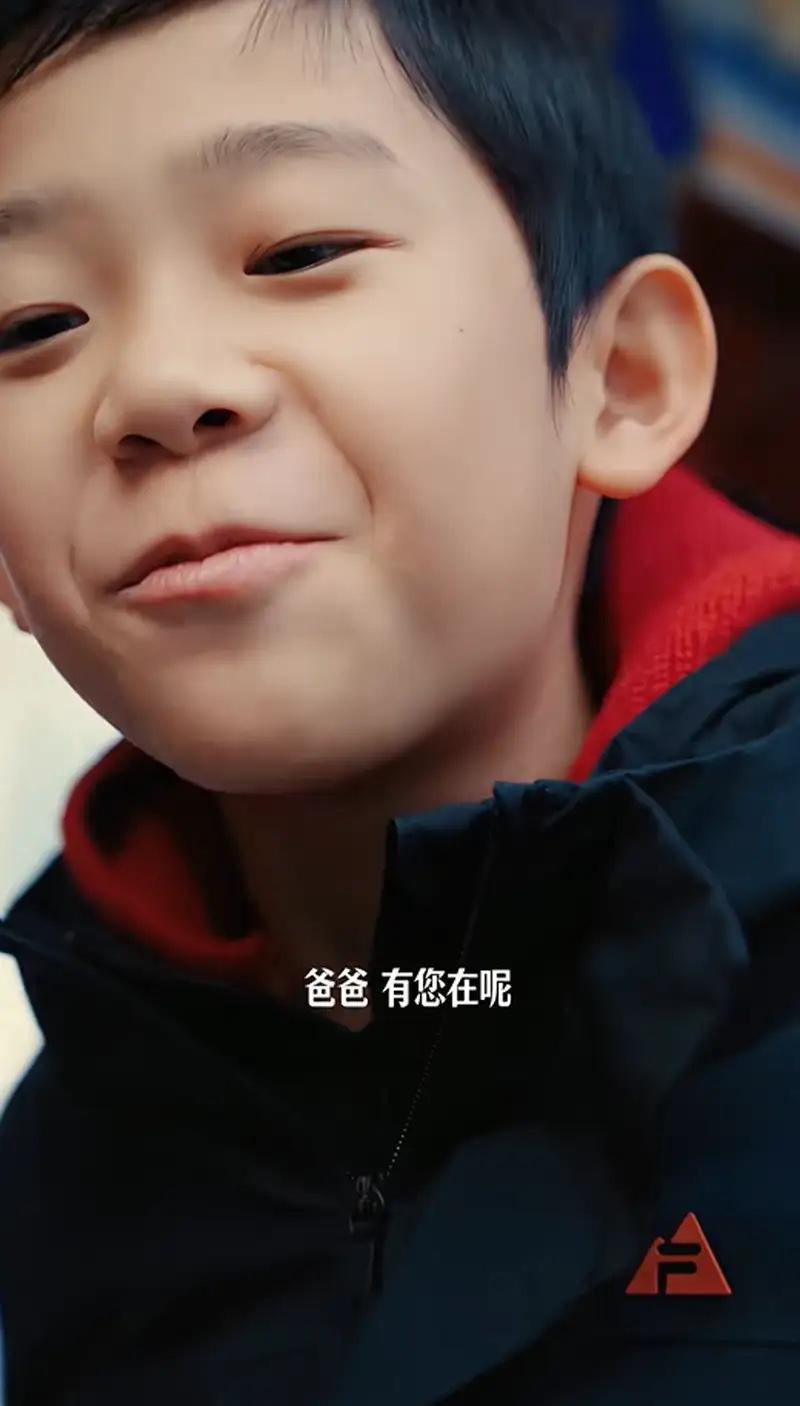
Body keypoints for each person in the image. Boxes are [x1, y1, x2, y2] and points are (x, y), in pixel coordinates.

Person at [1, 2, 800, 1402]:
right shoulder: (73, 1168)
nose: (160, 387)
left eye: (298, 252)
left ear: (622, 378)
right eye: (32, 325)